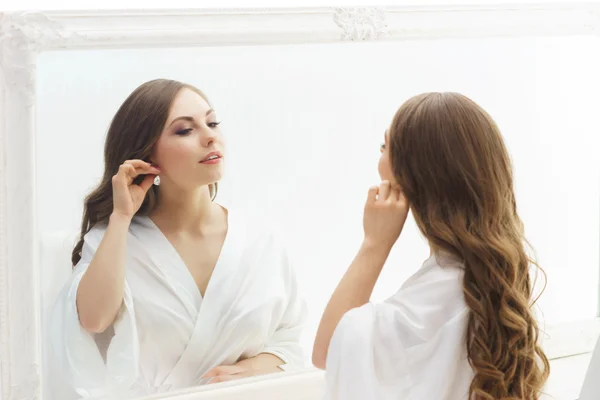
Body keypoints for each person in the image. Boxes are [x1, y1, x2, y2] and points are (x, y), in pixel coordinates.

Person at [50, 79, 306, 399]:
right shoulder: (113, 241)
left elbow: (289, 338)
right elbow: (93, 320)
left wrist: (252, 370)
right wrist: (120, 217)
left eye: (212, 123)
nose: (210, 135)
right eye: (185, 130)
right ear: (146, 154)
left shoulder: (262, 242)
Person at [312, 92, 550, 400]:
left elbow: (329, 349)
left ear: (415, 173)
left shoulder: (440, 291)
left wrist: (375, 244)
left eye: (385, 147)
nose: (379, 161)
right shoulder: (489, 273)